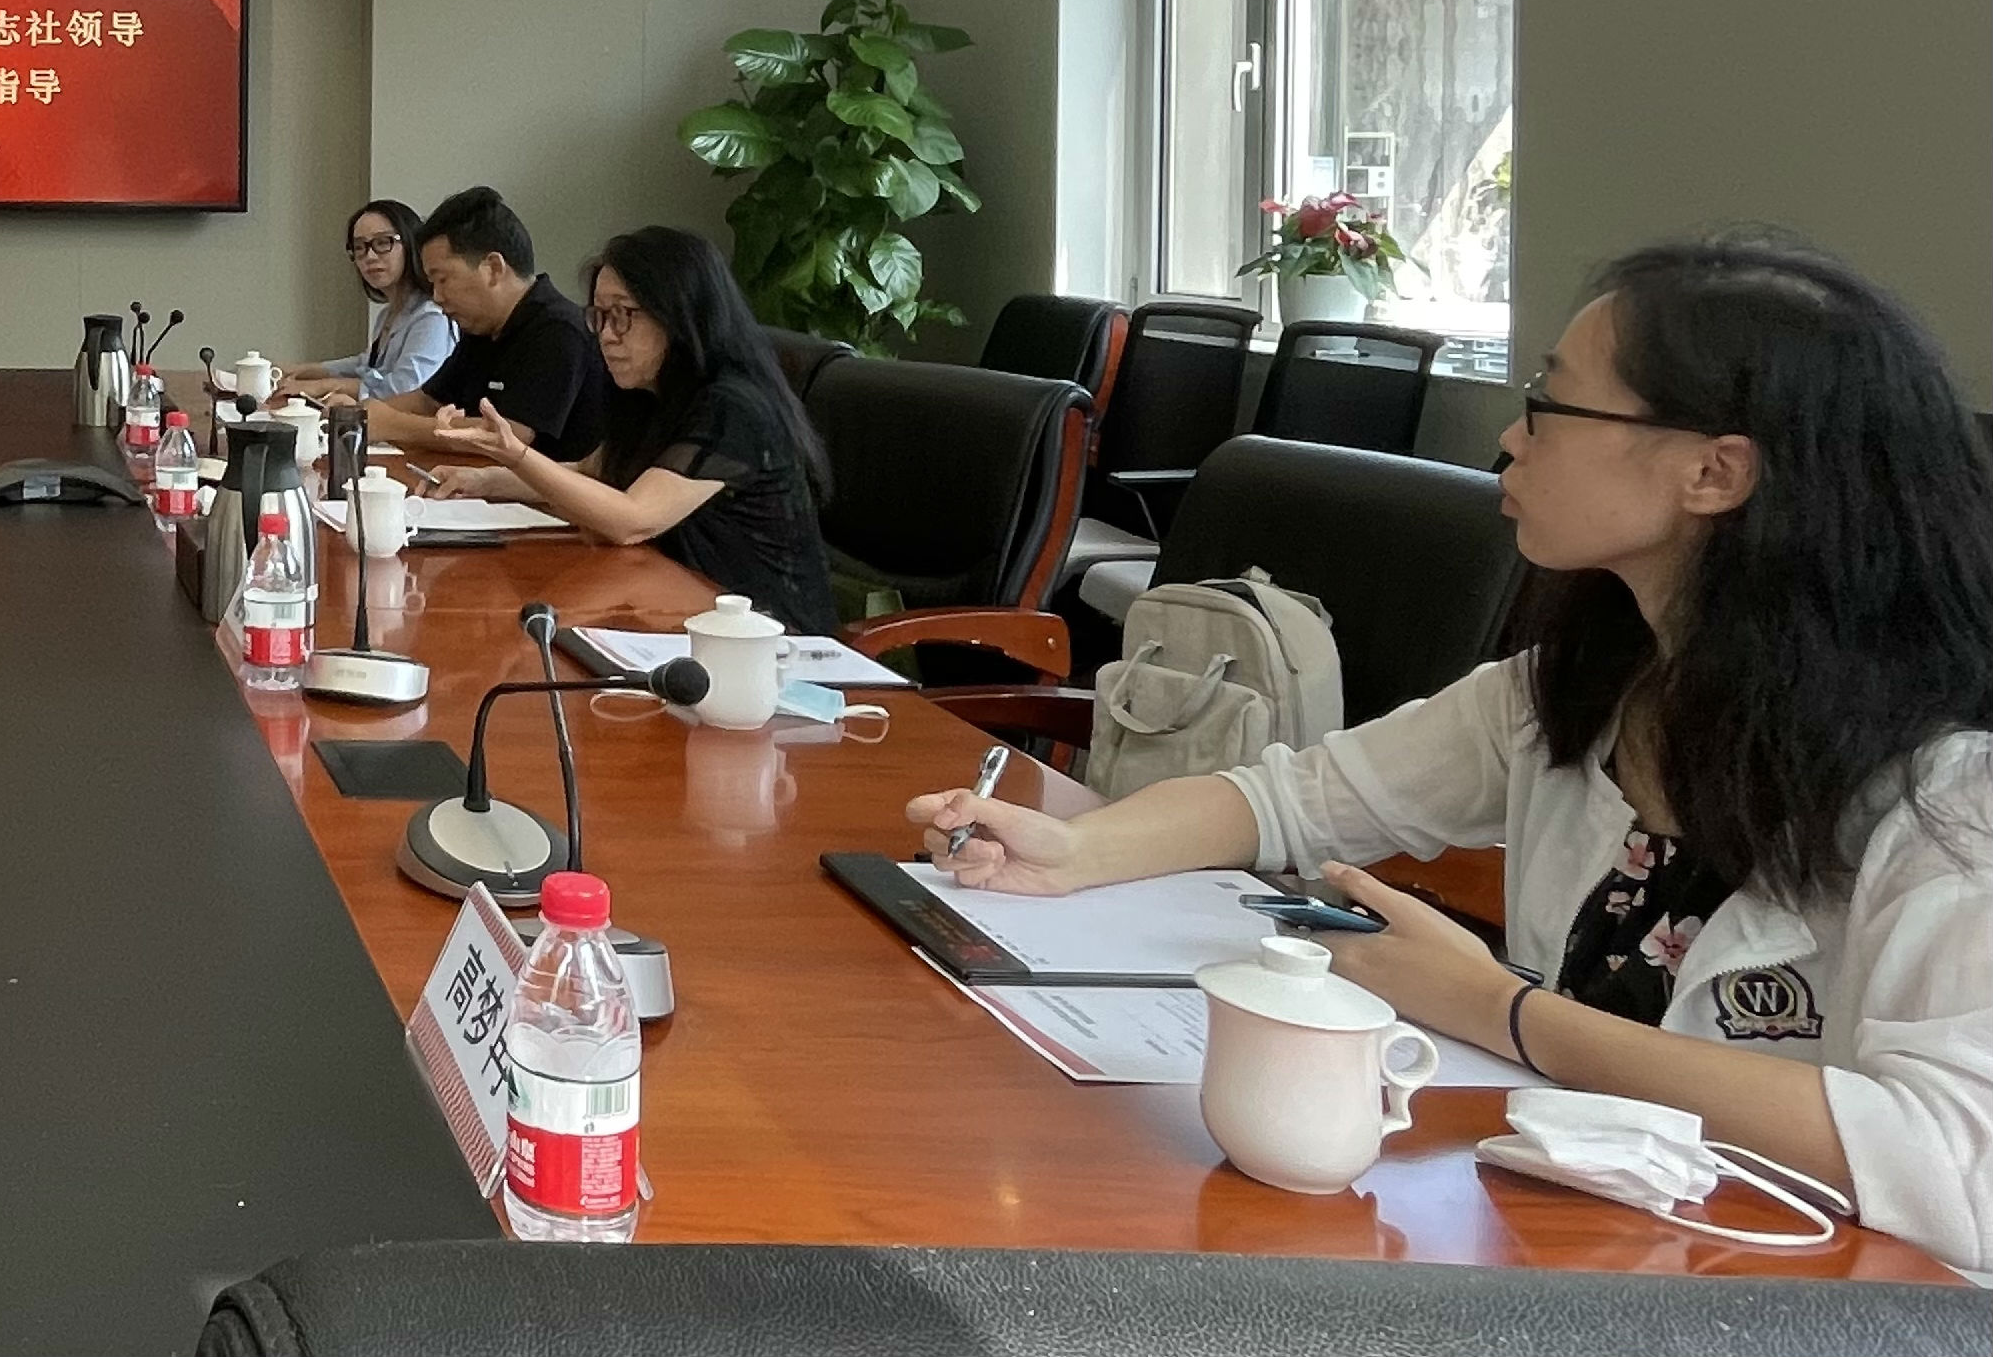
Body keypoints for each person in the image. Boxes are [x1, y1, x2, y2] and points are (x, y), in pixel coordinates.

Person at [908, 234, 1993, 1271]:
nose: (1511, 439)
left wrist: (1501, 1011)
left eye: (1549, 405)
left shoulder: (1951, 789)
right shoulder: (1578, 689)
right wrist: (1077, 850)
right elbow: (1293, 801)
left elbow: (1955, 1165)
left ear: (1713, 472)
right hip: (1586, 1250)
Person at [427, 226, 836, 629]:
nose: (607, 336)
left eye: (623, 315)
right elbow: (591, 473)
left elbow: (632, 519)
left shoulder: (733, 406)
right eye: (601, 316)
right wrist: (483, 481)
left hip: (765, 636)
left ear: (680, 314)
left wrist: (515, 454)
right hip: (673, 603)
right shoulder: (649, 393)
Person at [355, 187, 609, 461]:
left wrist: (393, 425)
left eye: (442, 279)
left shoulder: (558, 330)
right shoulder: (481, 328)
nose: (437, 296)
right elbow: (428, 400)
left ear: (494, 268)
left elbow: (507, 436)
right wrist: (358, 416)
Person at [281, 198, 457, 403]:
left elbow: (405, 388)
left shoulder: (431, 316)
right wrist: (302, 371)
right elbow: (364, 366)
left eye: (383, 243)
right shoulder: (387, 314)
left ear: (411, 244)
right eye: (359, 247)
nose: (370, 256)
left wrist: (322, 386)